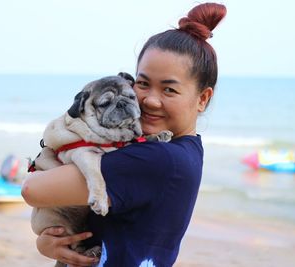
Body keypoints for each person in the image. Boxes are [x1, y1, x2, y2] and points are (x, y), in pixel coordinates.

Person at [22, 2, 226, 266]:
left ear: (202, 99)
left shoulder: (158, 159)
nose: (151, 100)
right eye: (142, 84)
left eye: (169, 90)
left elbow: (33, 189)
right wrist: (49, 242)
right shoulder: (183, 151)